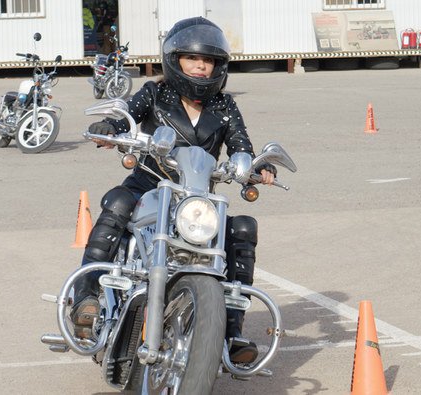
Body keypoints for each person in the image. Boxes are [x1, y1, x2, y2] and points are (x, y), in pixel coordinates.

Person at [72, 16, 276, 364]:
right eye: (192, 58)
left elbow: (241, 146)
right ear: (174, 59)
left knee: (241, 228)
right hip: (149, 182)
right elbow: (128, 118)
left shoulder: (224, 106)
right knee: (119, 203)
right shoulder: (155, 93)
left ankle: (230, 330)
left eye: (208, 60)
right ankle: (86, 298)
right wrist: (112, 127)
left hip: (196, 196)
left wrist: (256, 167)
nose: (200, 66)